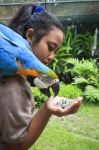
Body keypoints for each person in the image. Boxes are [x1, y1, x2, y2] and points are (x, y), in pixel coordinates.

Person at [0, 4, 82, 150]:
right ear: (30, 36)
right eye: (50, 47)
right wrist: (47, 109)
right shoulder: (13, 83)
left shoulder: (20, 48)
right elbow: (17, 147)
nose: (52, 57)